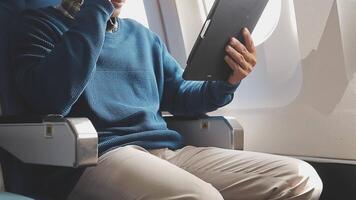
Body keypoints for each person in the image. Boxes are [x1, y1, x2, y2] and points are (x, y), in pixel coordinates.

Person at [12, 0, 322, 199]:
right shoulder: (38, 25)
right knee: (203, 198)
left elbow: (183, 94)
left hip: (165, 151)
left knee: (300, 178)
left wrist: (228, 80)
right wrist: (97, 8)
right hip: (96, 157)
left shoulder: (141, 36)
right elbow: (51, 99)